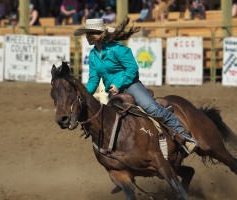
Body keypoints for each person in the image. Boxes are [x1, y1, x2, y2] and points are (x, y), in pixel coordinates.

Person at [73, 17, 198, 154]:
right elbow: (93, 79)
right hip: (114, 93)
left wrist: (118, 83)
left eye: (88, 34)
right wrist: (84, 95)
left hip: (130, 86)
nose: (86, 37)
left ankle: (186, 138)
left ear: (96, 35)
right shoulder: (93, 55)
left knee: (153, 109)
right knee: (111, 121)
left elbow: (132, 68)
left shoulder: (117, 49)